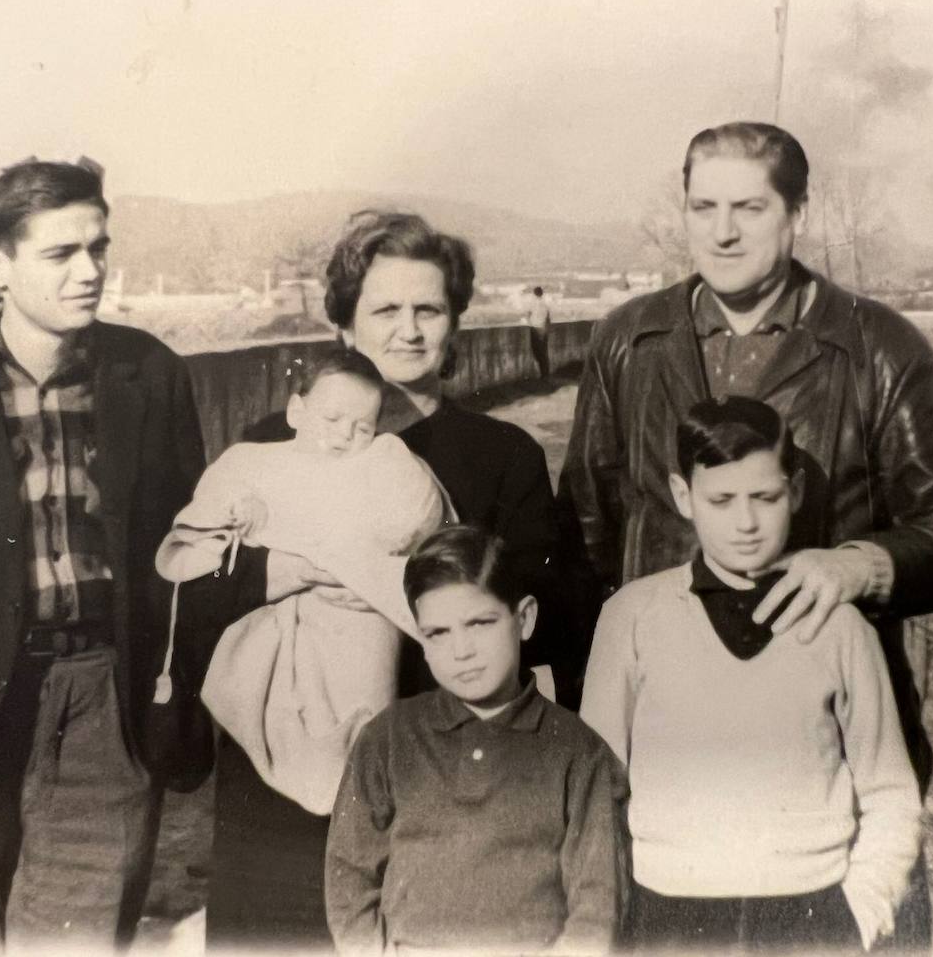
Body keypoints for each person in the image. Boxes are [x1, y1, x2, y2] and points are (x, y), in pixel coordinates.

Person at [558, 121, 933, 945]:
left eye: (750, 207)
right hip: (670, 772)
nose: (723, 230)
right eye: (702, 205)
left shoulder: (876, 345)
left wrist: (859, 564)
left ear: (798, 213)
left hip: (822, 757)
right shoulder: (628, 340)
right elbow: (583, 529)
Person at [176, 209, 582, 948]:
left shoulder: (501, 453)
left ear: (457, 321)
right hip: (276, 788)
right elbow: (192, 589)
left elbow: (551, 611)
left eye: (429, 308)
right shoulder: (273, 443)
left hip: (438, 788)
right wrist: (286, 571)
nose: (409, 329)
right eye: (384, 309)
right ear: (344, 325)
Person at [0, 158, 206, 947]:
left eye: (99, 247)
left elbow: (185, 547)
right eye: (61, 254)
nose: (91, 271)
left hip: (102, 703)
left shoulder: (148, 374)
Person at [580, 396, 920, 953]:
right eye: (721, 500)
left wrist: (858, 914)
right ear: (682, 495)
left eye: (766, 497)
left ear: (797, 492)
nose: (746, 522)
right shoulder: (632, 618)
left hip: (811, 912)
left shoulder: (841, 628)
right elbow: (598, 789)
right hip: (667, 915)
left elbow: (890, 791)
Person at [157, 348, 447, 816]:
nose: (344, 436)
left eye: (363, 427)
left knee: (364, 699)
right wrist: (236, 513)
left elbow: (416, 520)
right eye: (331, 419)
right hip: (273, 620)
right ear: (296, 411)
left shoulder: (378, 464)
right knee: (270, 693)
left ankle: (353, 777)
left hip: (355, 617)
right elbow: (206, 526)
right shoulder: (254, 462)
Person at [326, 524, 628, 955]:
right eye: (438, 633)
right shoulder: (386, 740)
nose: (461, 651)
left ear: (523, 619)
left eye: (480, 623)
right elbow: (349, 876)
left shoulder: (576, 750)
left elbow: (598, 901)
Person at [525, 285, 552, 377]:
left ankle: (543, 374)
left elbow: (528, 315)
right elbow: (548, 319)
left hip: (535, 329)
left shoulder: (532, 303)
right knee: (544, 352)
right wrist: (546, 328)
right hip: (543, 329)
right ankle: (545, 373)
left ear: (534, 293)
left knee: (537, 351)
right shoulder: (545, 304)